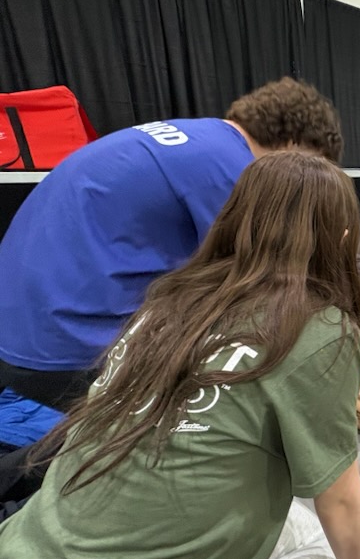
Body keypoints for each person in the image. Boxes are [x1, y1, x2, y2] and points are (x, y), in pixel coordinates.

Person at [0, 152, 360, 559]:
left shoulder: (171, 295)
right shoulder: (319, 327)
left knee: (291, 521)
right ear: (341, 237)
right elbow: (341, 501)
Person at [0, 78, 342, 413]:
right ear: (292, 145)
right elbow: (266, 286)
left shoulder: (193, 138)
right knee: (227, 414)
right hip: (63, 351)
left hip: (22, 326)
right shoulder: (232, 169)